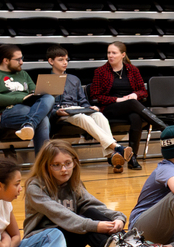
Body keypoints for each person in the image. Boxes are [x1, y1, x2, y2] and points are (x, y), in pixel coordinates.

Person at [24, 140, 165, 247]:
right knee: (84, 224)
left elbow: (94, 205)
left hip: (65, 244)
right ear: (45, 166)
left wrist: (118, 218)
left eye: (68, 163)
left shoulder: (74, 185)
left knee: (89, 212)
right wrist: (95, 226)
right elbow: (62, 215)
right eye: (56, 165)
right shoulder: (36, 187)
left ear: (75, 162)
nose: (64, 169)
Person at [45, 45, 133, 173]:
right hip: (59, 114)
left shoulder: (74, 79)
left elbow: (82, 101)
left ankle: (112, 155)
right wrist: (56, 112)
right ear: (51, 61)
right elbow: (45, 106)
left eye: (66, 60)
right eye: (61, 60)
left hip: (76, 110)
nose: (65, 63)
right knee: (82, 117)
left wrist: (89, 107)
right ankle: (117, 147)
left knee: (99, 116)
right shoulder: (45, 81)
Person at [89, 41, 168, 170]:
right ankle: (164, 127)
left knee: (136, 117)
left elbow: (143, 91)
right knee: (132, 104)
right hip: (110, 108)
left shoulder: (133, 70)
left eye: (114, 53)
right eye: (109, 53)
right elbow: (95, 96)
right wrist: (117, 99)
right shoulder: (100, 72)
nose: (110, 55)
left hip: (131, 106)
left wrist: (136, 95)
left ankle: (132, 157)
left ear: (123, 55)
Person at [0, 44, 54, 152]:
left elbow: (35, 91)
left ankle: (29, 124)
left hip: (29, 108)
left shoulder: (23, 74)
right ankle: (42, 164)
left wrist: (35, 95)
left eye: (22, 58)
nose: (22, 62)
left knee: (49, 97)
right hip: (6, 112)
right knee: (43, 119)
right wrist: (22, 99)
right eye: (18, 59)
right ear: (6, 60)